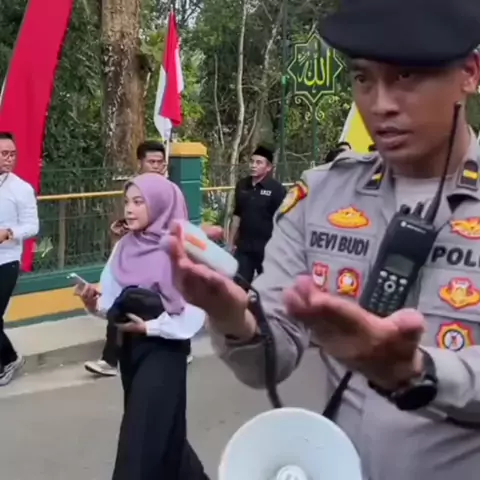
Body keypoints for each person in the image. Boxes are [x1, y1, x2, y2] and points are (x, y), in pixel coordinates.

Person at [169, 0, 480, 478]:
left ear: (469, 74)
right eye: (363, 78)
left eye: (406, 76)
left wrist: (417, 373)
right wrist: (234, 318)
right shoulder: (319, 197)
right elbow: (269, 362)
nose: (380, 104)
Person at [77, 173, 209, 480]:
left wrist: (151, 328)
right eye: (127, 202)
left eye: (139, 202)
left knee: (139, 437)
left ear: (161, 205)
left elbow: (193, 316)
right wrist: (92, 303)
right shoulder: (125, 247)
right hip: (131, 352)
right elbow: (111, 302)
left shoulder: (183, 251)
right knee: (163, 432)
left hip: (165, 352)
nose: (129, 209)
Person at [0, 132, 39, 387]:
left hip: (7, 260)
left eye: (12, 154)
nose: (9, 158)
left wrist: (9, 233)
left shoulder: (22, 189)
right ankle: (9, 358)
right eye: (4, 153)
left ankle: (8, 361)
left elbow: (32, 226)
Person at [227, 145, 286, 285]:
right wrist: (230, 242)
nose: (253, 165)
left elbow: (283, 221)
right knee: (239, 286)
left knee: (268, 288)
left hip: (267, 249)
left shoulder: (277, 190)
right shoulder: (242, 185)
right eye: (252, 161)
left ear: (268, 167)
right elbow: (237, 215)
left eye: (259, 162)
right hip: (244, 248)